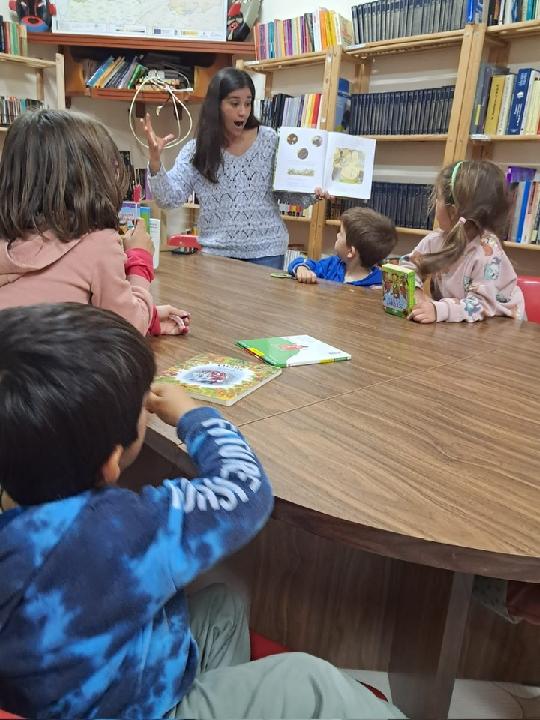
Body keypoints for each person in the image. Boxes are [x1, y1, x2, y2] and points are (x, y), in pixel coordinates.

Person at [0, 302, 406, 720]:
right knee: (306, 681)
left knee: (223, 608)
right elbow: (245, 490)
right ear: (111, 462)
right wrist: (193, 416)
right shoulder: (123, 528)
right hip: (143, 709)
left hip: (82, 688)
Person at [0, 109, 190, 336]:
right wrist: (140, 260)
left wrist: (150, 316)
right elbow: (126, 330)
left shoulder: (8, 238)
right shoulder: (96, 242)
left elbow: (53, 305)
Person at [145, 67, 326, 270]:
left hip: (267, 252)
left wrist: (313, 191)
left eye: (248, 103)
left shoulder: (270, 140)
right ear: (216, 106)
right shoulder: (197, 150)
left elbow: (286, 193)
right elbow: (169, 198)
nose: (243, 111)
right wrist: (155, 161)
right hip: (216, 255)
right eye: (234, 103)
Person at [401, 160, 525, 323]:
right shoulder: (434, 241)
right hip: (461, 324)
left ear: (453, 211)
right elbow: (407, 266)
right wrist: (416, 291)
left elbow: (481, 305)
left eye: (437, 197)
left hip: (500, 326)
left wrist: (439, 310)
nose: (433, 203)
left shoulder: (486, 252)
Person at [288, 207, 397, 285]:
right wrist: (301, 269)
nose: (337, 235)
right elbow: (300, 262)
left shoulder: (380, 283)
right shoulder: (332, 265)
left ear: (350, 251)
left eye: (340, 233)